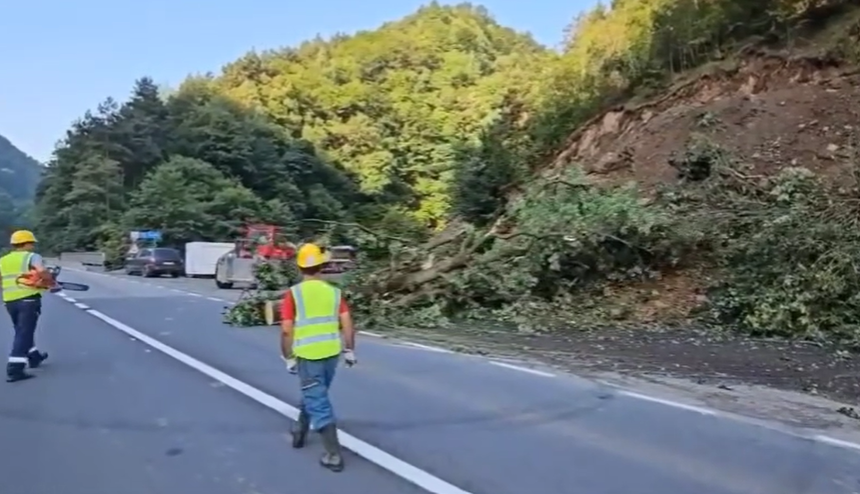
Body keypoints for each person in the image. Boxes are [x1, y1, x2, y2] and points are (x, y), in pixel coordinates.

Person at [280, 243, 356, 472]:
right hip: (331, 355)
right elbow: (347, 323)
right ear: (322, 266)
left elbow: (286, 330)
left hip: (308, 356)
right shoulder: (334, 292)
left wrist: (288, 356)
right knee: (315, 392)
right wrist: (350, 349)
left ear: (300, 267)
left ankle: (333, 455)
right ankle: (300, 430)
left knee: (318, 402)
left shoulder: (293, 294)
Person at [0, 230, 49, 382]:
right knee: (24, 332)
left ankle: (34, 356)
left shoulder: (3, 260)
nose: (33, 246)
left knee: (22, 330)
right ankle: (15, 368)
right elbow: (41, 271)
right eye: (31, 243)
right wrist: (50, 281)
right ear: (27, 243)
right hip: (28, 299)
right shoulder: (32, 256)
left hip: (10, 300)